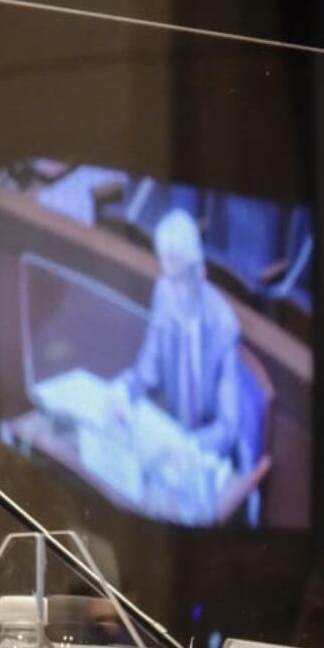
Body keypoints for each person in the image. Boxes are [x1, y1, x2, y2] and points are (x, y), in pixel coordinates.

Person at [111, 208, 242, 517]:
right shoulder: (165, 293)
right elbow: (147, 369)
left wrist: (192, 446)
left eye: (180, 280)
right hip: (170, 441)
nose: (173, 293)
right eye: (168, 279)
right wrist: (123, 390)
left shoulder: (224, 324)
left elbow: (228, 425)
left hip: (206, 452)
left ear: (200, 272)